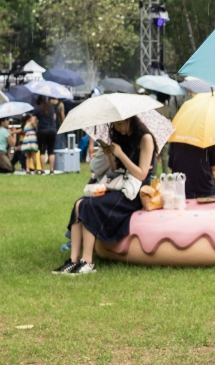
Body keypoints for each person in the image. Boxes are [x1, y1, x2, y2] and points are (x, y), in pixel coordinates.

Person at [56, 117, 158, 275]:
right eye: (115, 126)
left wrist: (121, 154)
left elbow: (142, 173)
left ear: (130, 120)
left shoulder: (146, 139)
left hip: (134, 192)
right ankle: (73, 260)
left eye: (120, 124)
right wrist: (110, 155)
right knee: (79, 204)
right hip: (119, 185)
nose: (118, 128)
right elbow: (115, 168)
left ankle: (87, 261)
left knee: (91, 206)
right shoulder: (120, 138)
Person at [33, 95, 66, 174]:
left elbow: (32, 121)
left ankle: (43, 170)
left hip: (42, 130)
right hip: (52, 130)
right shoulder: (51, 107)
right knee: (51, 151)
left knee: (42, 151)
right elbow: (54, 118)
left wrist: (36, 126)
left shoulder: (37, 108)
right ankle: (52, 170)